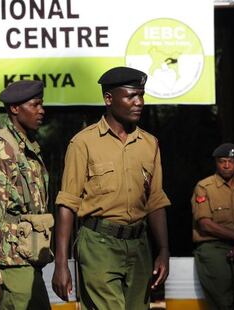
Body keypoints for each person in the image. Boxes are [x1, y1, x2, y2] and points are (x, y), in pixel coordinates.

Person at [52, 66, 171, 309]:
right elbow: (67, 203)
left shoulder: (150, 144)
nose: (139, 102)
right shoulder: (83, 142)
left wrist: (164, 250)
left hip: (139, 247)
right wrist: (61, 263)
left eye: (141, 95)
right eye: (131, 96)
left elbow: (156, 202)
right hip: (99, 245)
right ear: (109, 99)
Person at [0, 80, 53, 310]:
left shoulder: (27, 147)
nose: (42, 110)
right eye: (35, 104)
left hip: (27, 259)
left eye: (42, 104)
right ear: (15, 109)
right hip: (11, 262)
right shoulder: (0, 149)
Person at [192, 143, 234, 310]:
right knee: (222, 300)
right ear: (216, 162)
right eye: (222, 161)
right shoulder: (204, 187)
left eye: (231, 161)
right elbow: (205, 224)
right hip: (213, 245)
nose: (227, 165)